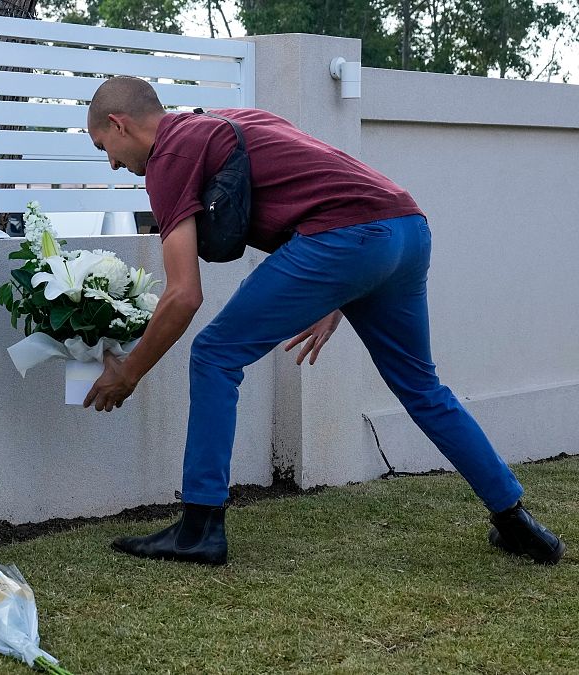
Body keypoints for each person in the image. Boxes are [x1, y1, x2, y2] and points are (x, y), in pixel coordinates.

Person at [82, 76, 564, 566]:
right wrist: (337, 291)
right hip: (406, 228)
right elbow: (321, 177)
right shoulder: (231, 120)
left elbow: (183, 295)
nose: (114, 163)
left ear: (120, 124)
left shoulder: (168, 158)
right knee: (422, 388)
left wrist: (130, 370)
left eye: (106, 147)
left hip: (345, 240)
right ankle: (516, 520)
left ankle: (199, 529)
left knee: (215, 354)